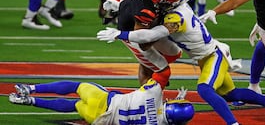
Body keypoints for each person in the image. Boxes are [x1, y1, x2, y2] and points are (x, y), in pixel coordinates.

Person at [96, 0, 265, 125]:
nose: (155, 2)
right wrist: (121, 6)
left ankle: (233, 124)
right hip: (207, 57)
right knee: (231, 94)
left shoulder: (175, 17)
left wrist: (121, 33)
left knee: (204, 89)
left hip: (212, 57)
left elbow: (152, 34)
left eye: (159, 0)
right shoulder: (176, 4)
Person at [100, 0, 184, 86]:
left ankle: (149, 68)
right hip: (132, 33)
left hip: (130, 11)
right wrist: (165, 29)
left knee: (175, 53)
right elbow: (143, 44)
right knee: (163, 72)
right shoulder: (144, 11)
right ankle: (148, 100)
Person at [9, 77, 195, 124]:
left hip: (103, 100)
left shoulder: (153, 94)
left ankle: (31, 89)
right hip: (99, 119)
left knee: (76, 87)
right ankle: (30, 101)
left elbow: (154, 77)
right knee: (74, 105)